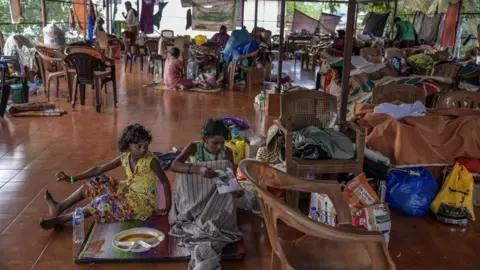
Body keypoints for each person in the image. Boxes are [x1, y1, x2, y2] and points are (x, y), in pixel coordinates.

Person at [39, 124, 172, 229]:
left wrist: (168, 206)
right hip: (127, 190)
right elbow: (99, 169)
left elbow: (165, 182)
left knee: (103, 203)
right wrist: (72, 178)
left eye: (146, 146)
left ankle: (62, 219)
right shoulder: (125, 157)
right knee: (96, 180)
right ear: (128, 146)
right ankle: (60, 207)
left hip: (141, 204)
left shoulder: (151, 161)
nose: (143, 149)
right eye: (139, 146)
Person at [170, 118, 234, 176]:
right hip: (196, 183)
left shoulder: (227, 152)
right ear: (205, 139)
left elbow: (232, 174)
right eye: (215, 143)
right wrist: (198, 169)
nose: (220, 146)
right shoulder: (194, 148)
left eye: (223, 142)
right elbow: (174, 166)